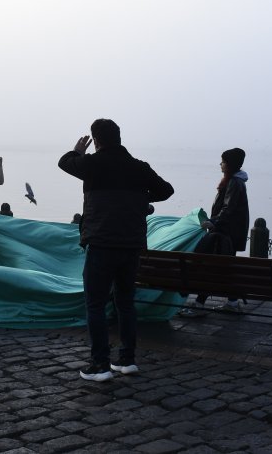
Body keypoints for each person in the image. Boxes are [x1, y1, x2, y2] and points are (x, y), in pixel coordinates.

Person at [58, 119, 174, 382]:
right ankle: (127, 359)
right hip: (131, 246)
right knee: (125, 302)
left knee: (95, 304)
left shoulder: (93, 163)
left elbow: (64, 162)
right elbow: (166, 190)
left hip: (101, 243)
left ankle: (99, 364)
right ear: (119, 137)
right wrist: (138, 198)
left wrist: (78, 151)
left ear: (96, 140)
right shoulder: (139, 167)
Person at [179, 147, 250, 317]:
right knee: (223, 268)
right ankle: (231, 303)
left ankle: (199, 304)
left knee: (211, 268)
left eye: (223, 162)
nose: (221, 164)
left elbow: (228, 208)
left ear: (230, 164)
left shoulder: (234, 182)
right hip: (230, 233)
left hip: (225, 234)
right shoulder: (234, 181)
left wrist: (212, 222)